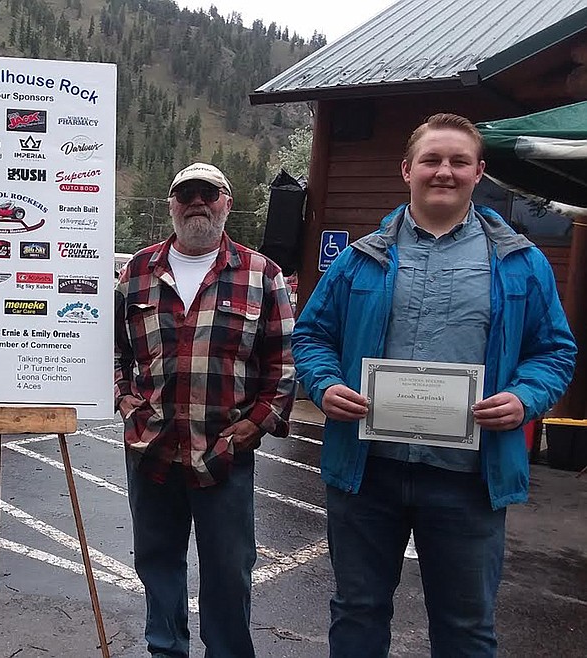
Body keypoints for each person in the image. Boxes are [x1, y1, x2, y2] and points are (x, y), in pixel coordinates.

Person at [291, 113, 577, 656]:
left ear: (479, 172)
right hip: (366, 474)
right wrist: (324, 384)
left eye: (458, 161)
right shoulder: (359, 259)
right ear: (407, 170)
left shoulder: (520, 262)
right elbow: (312, 336)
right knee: (356, 613)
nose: (443, 171)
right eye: (431, 160)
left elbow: (555, 352)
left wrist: (524, 398)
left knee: (466, 627)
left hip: (469, 481)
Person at [114, 161, 296, 657]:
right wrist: (123, 398)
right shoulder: (136, 272)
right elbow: (113, 351)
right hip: (151, 450)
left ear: (227, 203)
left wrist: (252, 427)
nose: (197, 201)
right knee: (156, 563)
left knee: (229, 570)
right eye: (185, 193)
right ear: (171, 204)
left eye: (208, 193)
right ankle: (166, 650)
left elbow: (283, 362)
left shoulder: (262, 274)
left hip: (224, 454)